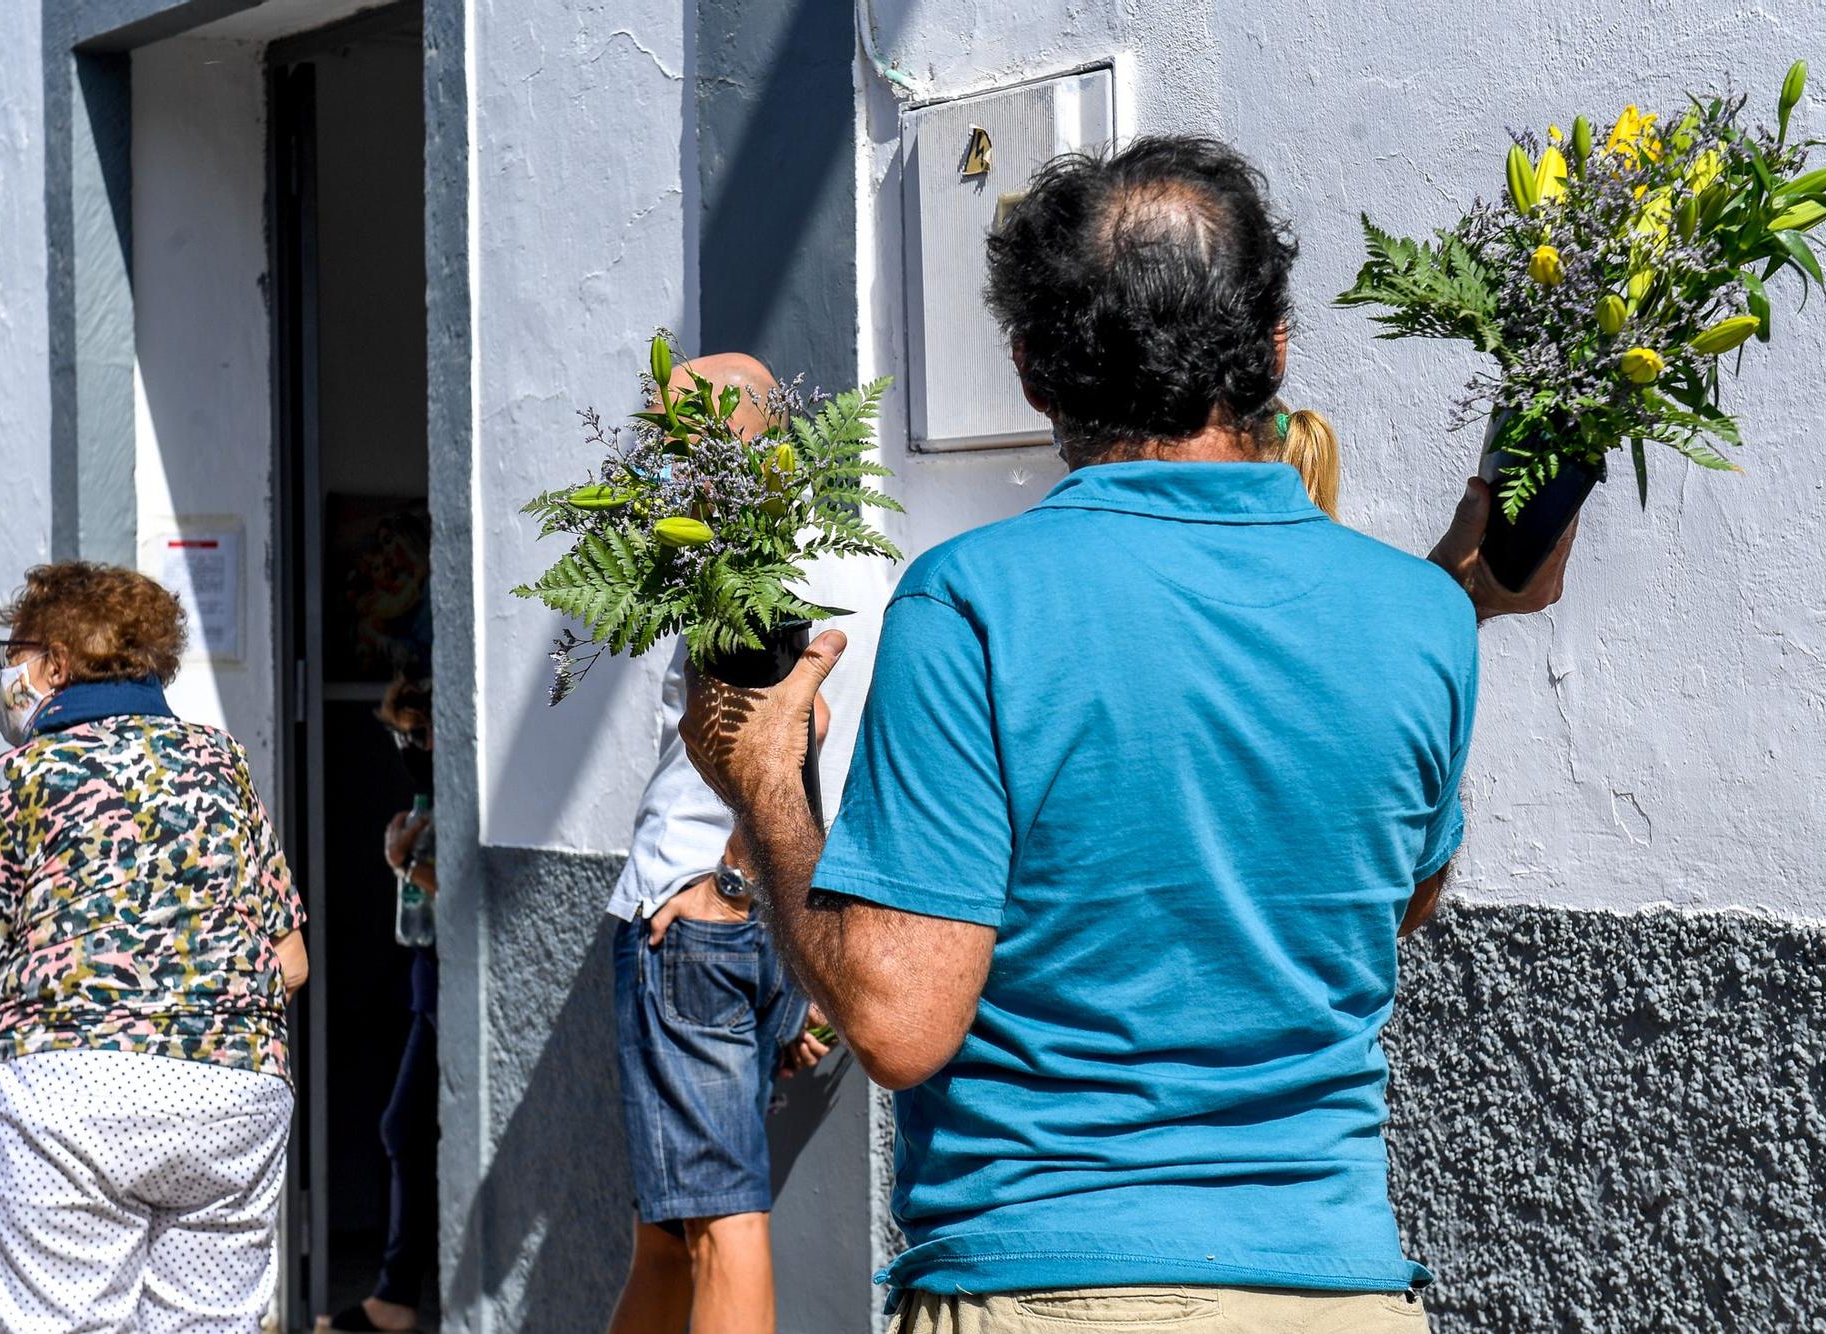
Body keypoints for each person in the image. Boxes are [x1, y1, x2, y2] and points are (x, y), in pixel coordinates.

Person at [680, 136, 1577, 1334]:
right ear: (1270, 350)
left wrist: (765, 787)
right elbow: (1387, 896)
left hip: (1052, 1277)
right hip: (1341, 1286)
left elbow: (896, 1019)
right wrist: (1454, 603)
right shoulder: (1421, 616)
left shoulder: (975, 601)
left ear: (1034, 372)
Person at [0, 561, 309, 1334]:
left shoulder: (13, 780)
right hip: (233, 1102)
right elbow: (290, 963)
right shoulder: (223, 765)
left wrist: (46, 1036)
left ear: (56, 664)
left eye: (16, 651)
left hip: (67, 1105)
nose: (8, 672)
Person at [604, 352, 835, 1334]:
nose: (649, 456)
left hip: (702, 906)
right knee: (664, 1222)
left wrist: (730, 885)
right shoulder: (814, 535)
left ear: (729, 438)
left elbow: (800, 724)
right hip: (758, 907)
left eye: (668, 433)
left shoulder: (747, 554)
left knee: (715, 1219)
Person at [321, 675, 440, 1333]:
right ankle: (395, 1293)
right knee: (405, 1126)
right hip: (427, 974)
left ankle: (397, 1294)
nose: (411, 746)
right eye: (404, 735)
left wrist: (405, 863)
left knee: (405, 1125)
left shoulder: (454, 797)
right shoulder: (429, 796)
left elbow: (461, 892)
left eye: (419, 733)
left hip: (444, 977)